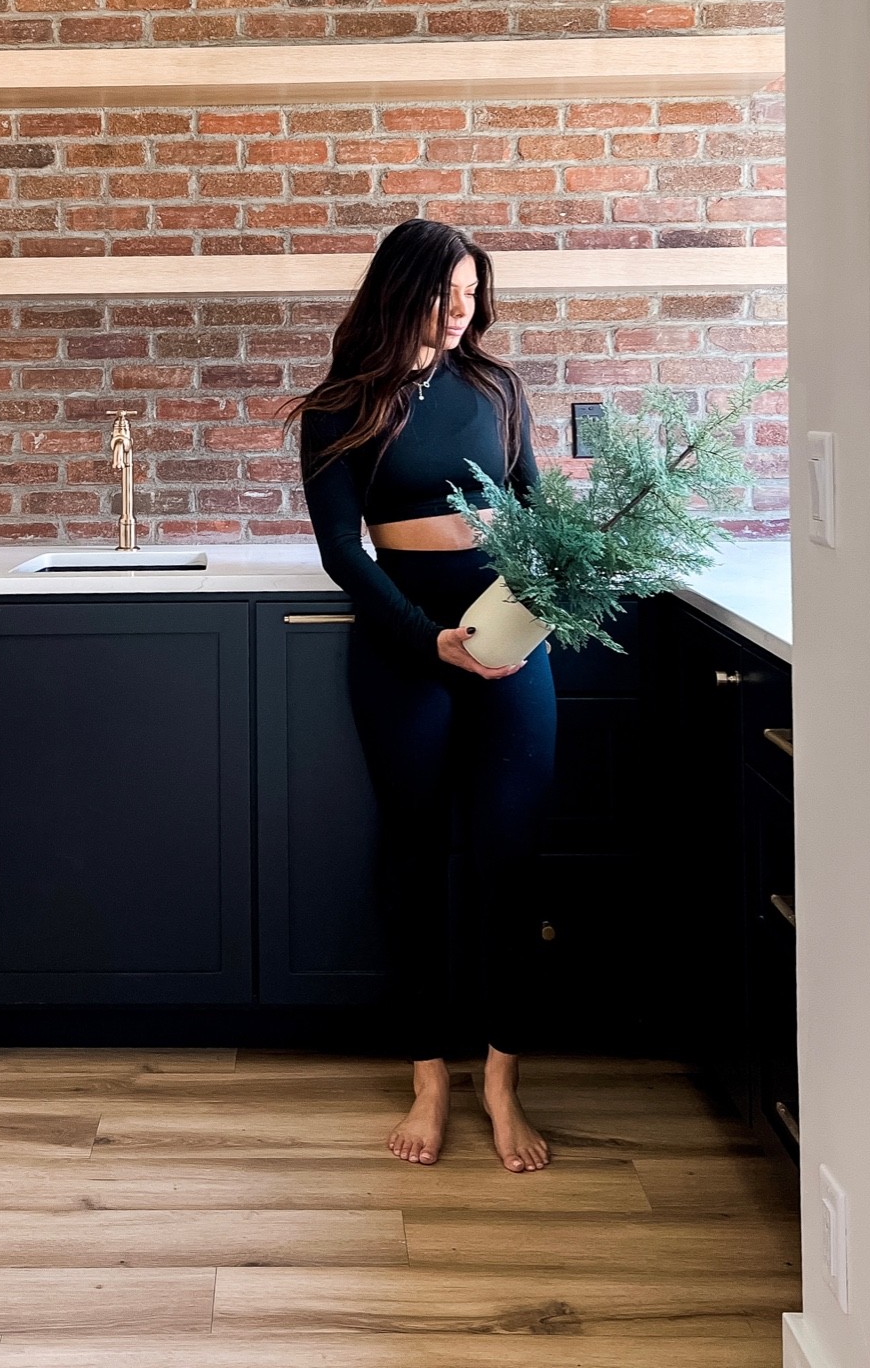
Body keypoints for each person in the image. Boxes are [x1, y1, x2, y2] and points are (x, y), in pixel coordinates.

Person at [290, 217, 556, 1172]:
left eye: (471, 294)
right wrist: (430, 641)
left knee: (509, 859)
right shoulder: (343, 404)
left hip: (509, 637)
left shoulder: (496, 388)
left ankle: (500, 1079)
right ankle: (429, 1077)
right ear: (398, 292)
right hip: (406, 639)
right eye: (444, 294)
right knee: (413, 860)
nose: (460, 312)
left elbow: (532, 519)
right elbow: (339, 554)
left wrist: (524, 621)